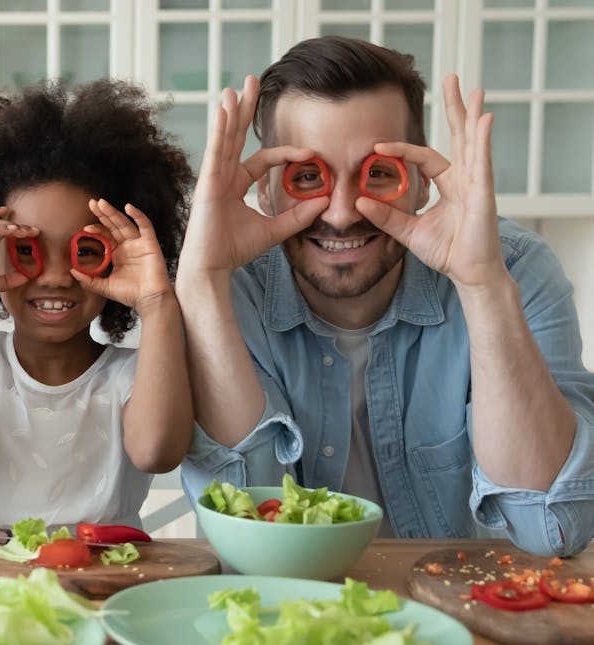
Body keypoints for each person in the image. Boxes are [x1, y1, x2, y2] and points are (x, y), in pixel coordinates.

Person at [177, 36, 594, 556]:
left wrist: (482, 285)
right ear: (266, 190)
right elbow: (249, 537)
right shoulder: (226, 286)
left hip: (461, 617)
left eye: (378, 174)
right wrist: (200, 281)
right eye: (310, 177)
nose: (342, 212)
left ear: (421, 185)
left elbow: (552, 530)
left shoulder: (512, 270)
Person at [0, 80, 194, 529]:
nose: (56, 277)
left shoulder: (133, 374)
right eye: (27, 250)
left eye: (85, 250)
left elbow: (156, 452)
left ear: (119, 257)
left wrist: (157, 303)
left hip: (104, 588)